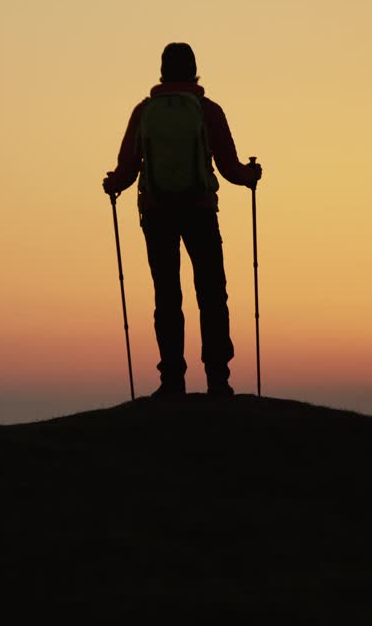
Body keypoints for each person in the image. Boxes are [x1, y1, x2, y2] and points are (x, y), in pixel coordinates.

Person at [102, 43, 262, 397]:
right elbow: (230, 168)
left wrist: (112, 184)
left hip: (156, 212)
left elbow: (128, 168)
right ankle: (218, 378)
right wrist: (251, 175)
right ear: (194, 70)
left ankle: (171, 379)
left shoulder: (144, 111)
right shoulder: (207, 110)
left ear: (161, 71)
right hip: (199, 209)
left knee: (167, 295)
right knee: (211, 293)